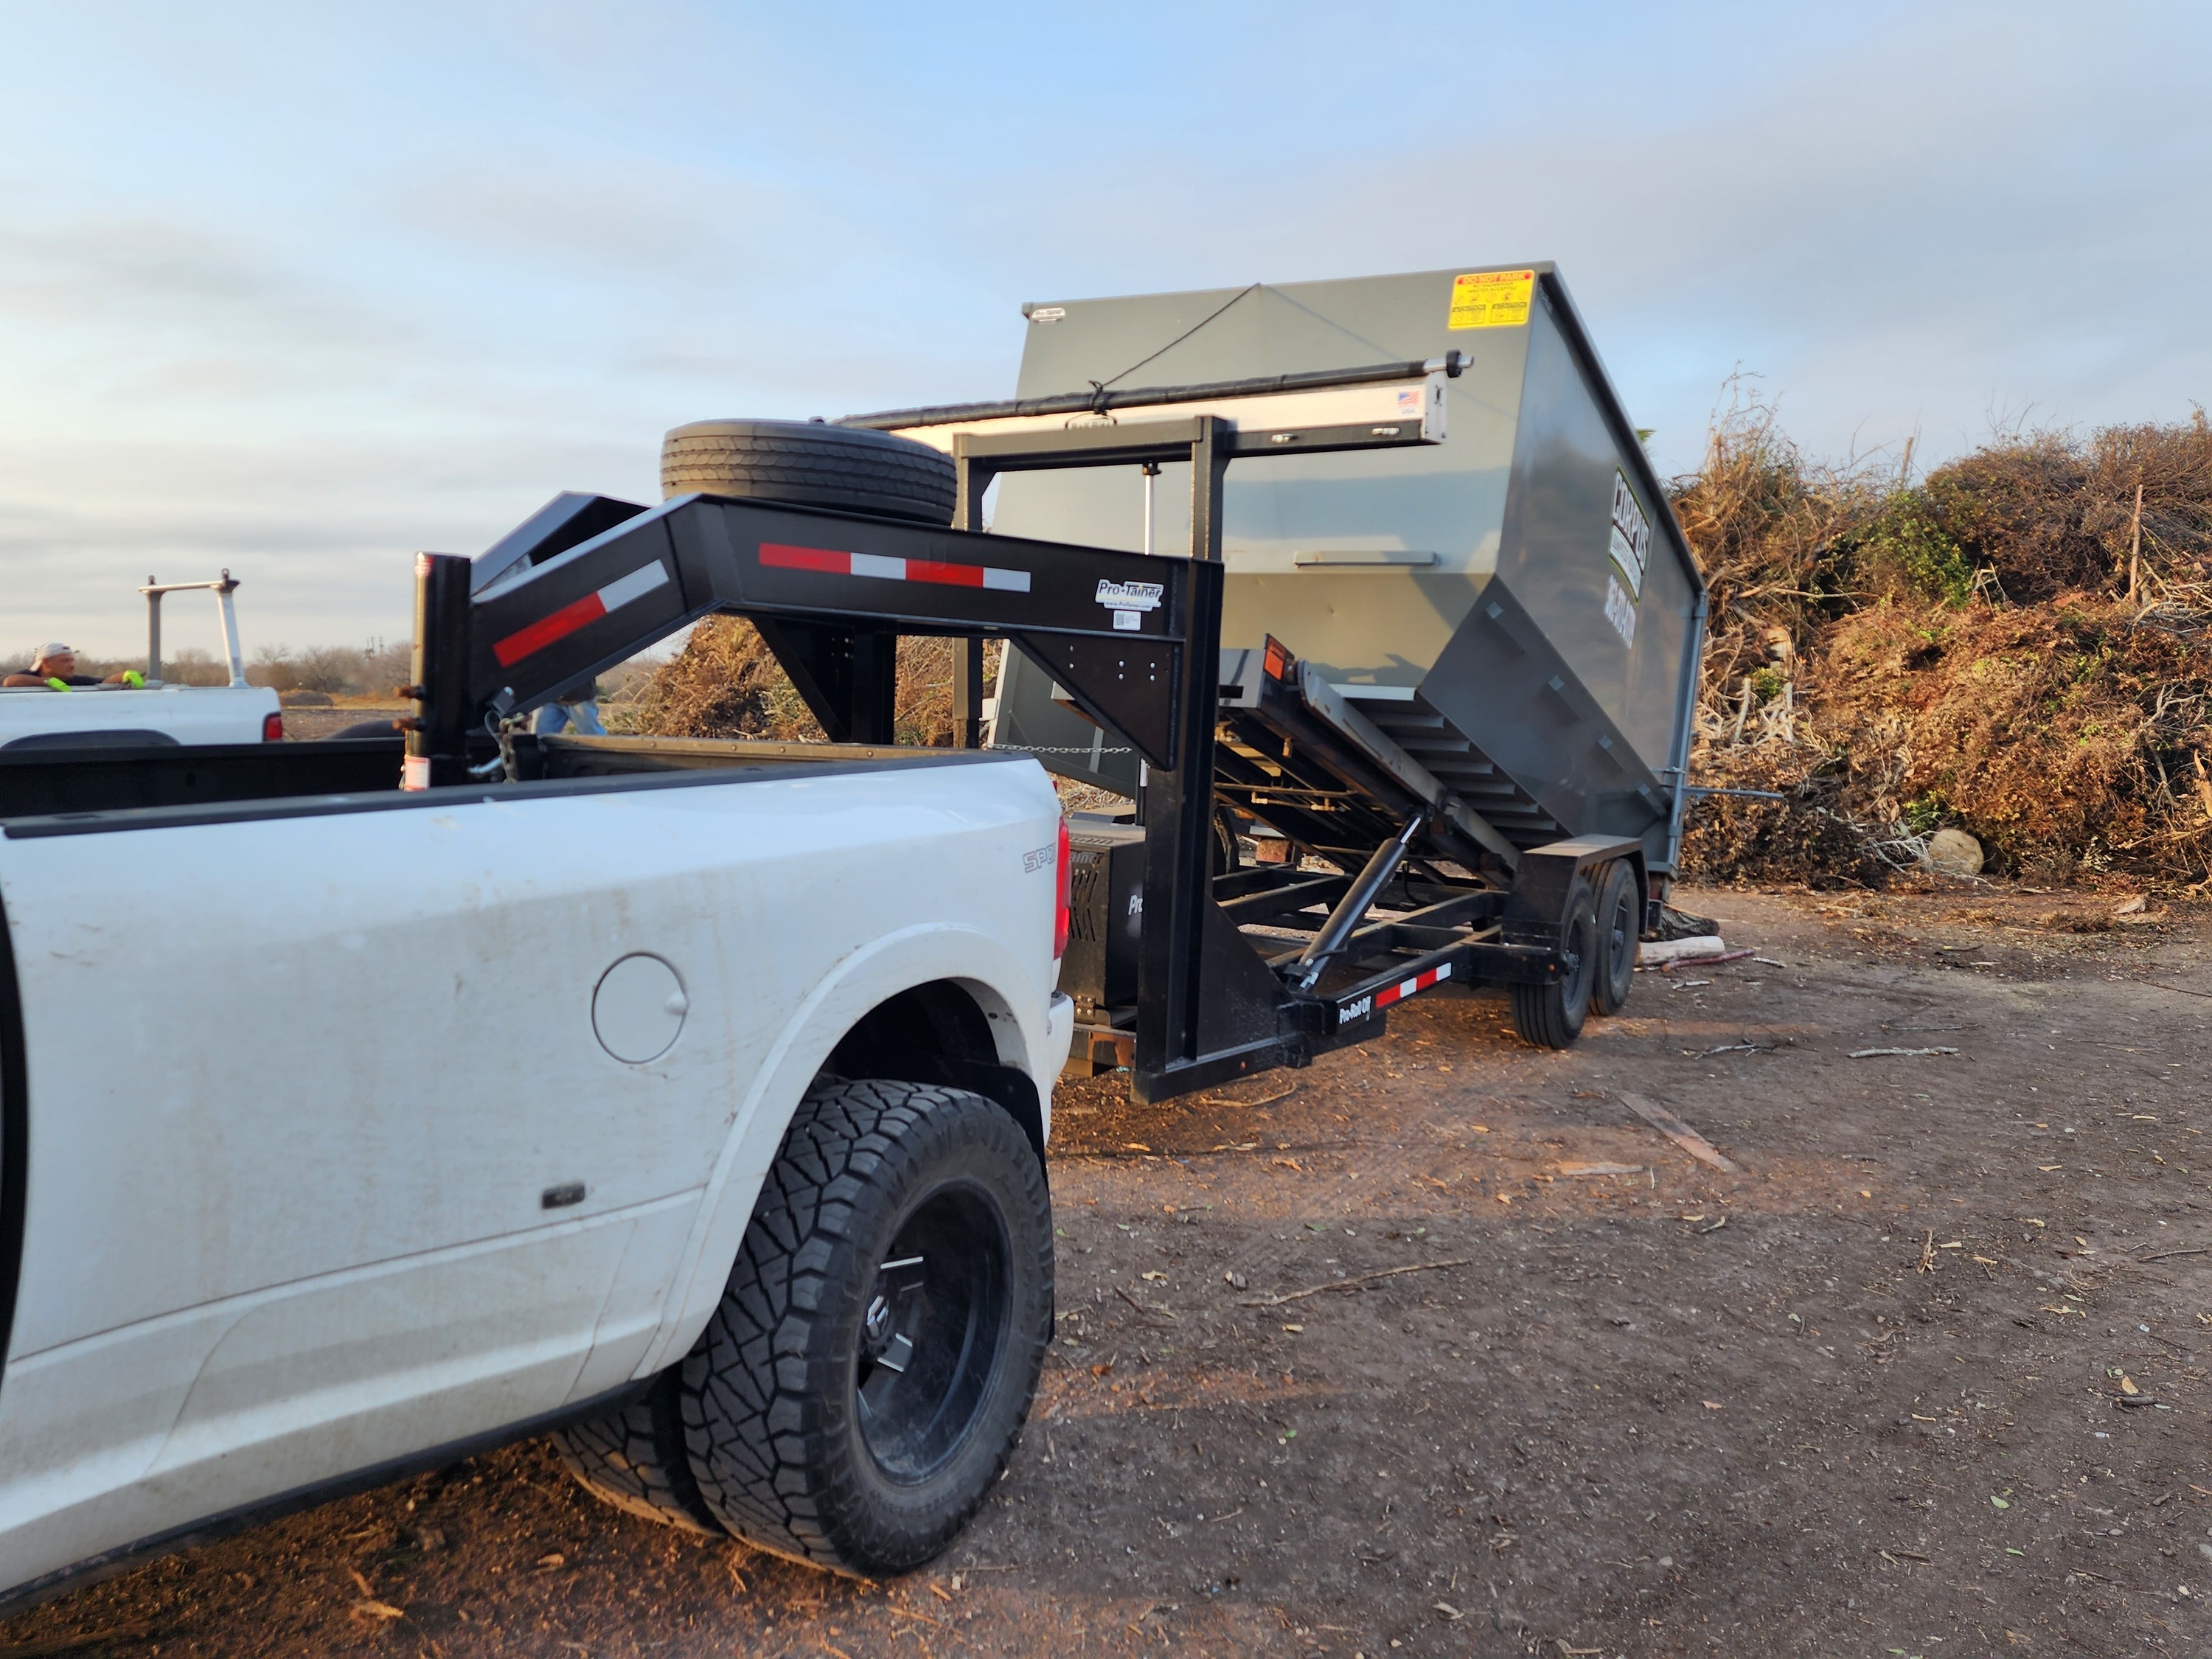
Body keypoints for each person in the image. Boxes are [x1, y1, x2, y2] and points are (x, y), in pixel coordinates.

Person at [2, 644, 136, 689]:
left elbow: (104, 683)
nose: (71, 665)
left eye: (72, 660)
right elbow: (10, 682)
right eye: (65, 661)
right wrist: (47, 682)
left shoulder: (74, 680)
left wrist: (124, 675)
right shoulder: (28, 676)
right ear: (46, 662)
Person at [532, 678, 606, 737]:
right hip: (548, 697)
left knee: (593, 739)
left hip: (579, 696)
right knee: (538, 740)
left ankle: (608, 755)